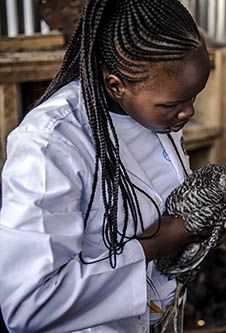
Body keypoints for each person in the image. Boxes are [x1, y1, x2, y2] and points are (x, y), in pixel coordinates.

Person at [0, 0, 214, 332]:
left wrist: (199, 233)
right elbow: (29, 305)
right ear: (116, 85)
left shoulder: (156, 117)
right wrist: (160, 242)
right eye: (173, 104)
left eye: (193, 97)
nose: (188, 113)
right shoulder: (49, 145)